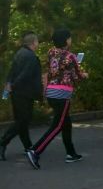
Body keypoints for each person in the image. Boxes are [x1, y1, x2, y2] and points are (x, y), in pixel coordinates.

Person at [26, 29, 88, 169]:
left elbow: (54, 70)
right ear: (66, 40)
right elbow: (77, 76)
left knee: (66, 123)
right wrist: (84, 75)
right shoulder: (70, 56)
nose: (71, 41)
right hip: (62, 94)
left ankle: (71, 153)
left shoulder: (50, 53)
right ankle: (35, 151)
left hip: (51, 92)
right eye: (70, 38)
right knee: (58, 125)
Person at [0, 31, 43, 160]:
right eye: (37, 42)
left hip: (16, 92)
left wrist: (9, 85)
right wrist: (13, 85)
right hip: (24, 93)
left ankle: (28, 147)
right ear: (33, 43)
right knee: (22, 120)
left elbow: (12, 71)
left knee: (22, 120)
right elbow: (25, 75)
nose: (38, 44)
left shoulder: (19, 53)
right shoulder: (31, 56)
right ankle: (2, 142)